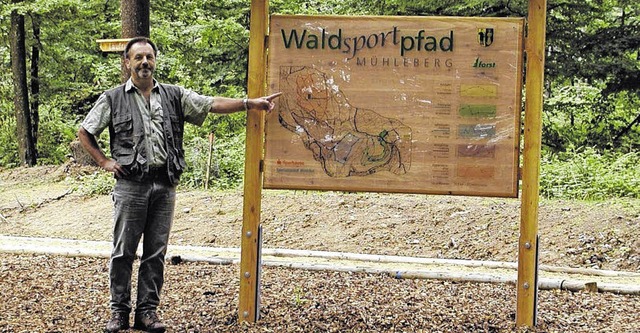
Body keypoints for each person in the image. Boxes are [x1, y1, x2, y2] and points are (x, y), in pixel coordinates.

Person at [78, 36, 281, 333]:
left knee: (155, 253)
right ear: (127, 62)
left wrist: (249, 103)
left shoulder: (173, 95)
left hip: (164, 185)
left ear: (155, 61)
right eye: (138, 58)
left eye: (149, 57)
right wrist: (103, 161)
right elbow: (86, 131)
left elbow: (210, 104)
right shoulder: (113, 98)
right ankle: (119, 313)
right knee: (123, 252)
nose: (144, 62)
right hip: (130, 186)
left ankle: (147, 313)